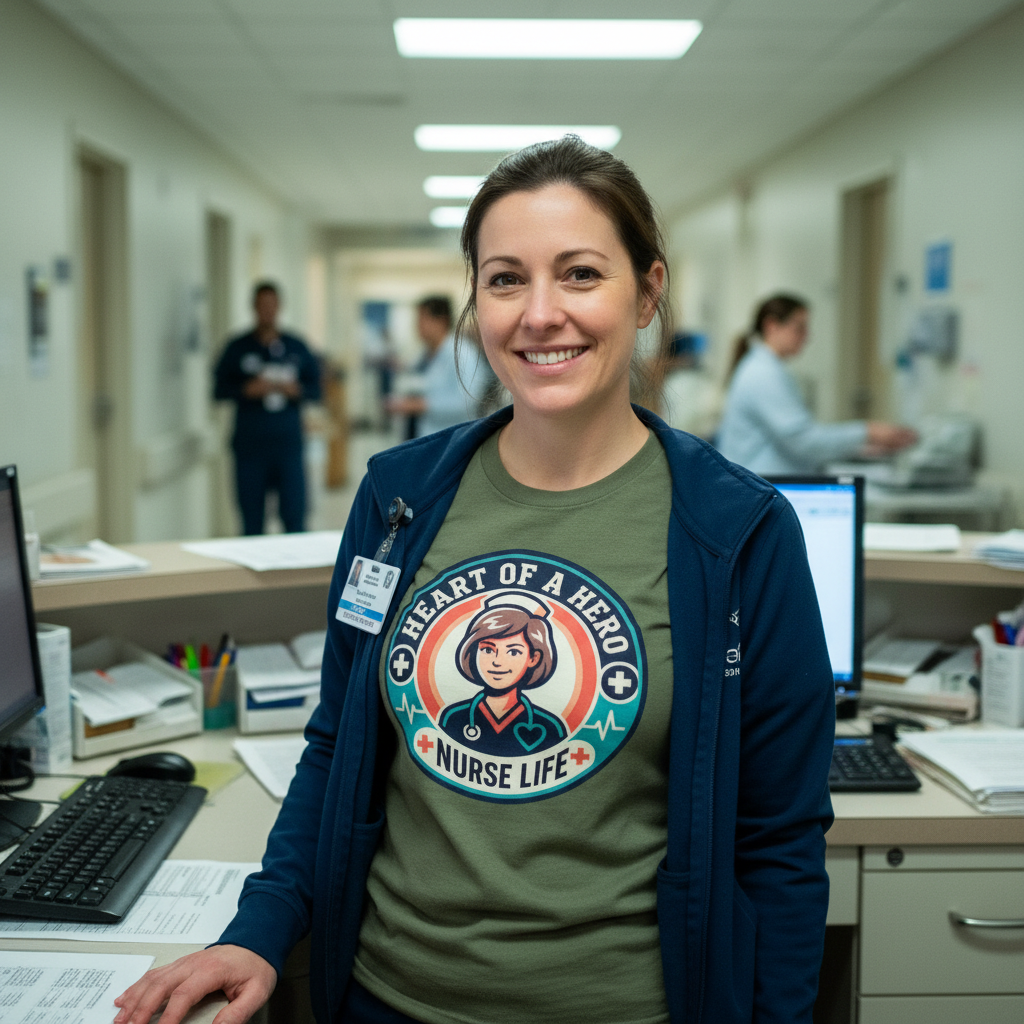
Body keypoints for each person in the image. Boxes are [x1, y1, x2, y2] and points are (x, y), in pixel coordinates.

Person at [116, 137, 836, 1024]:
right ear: (476, 299)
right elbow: (338, 746)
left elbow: (779, 837)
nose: (540, 314)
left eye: (580, 274)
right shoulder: (399, 499)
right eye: (505, 280)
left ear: (648, 291)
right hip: (389, 999)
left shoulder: (738, 530)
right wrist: (257, 931)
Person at [716, 294, 917, 475]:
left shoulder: (763, 367)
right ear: (771, 325)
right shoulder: (763, 374)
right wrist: (869, 432)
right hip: (763, 486)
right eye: (799, 328)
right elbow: (804, 441)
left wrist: (860, 446)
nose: (807, 337)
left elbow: (797, 441)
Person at [213, 281, 322, 535]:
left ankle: (294, 562)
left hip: (288, 448)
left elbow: (316, 391)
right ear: (253, 307)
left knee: (295, 520)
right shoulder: (237, 348)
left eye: (272, 305)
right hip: (250, 450)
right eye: (262, 305)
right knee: (251, 523)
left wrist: (296, 390)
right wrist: (246, 390)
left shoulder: (296, 347)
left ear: (280, 307)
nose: (267, 310)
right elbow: (218, 391)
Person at [387, 295, 488, 438]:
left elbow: (467, 402)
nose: (417, 326)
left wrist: (417, 405)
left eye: (422, 319)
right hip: (425, 432)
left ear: (442, 321)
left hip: (451, 437)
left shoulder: (462, 354)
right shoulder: (428, 352)